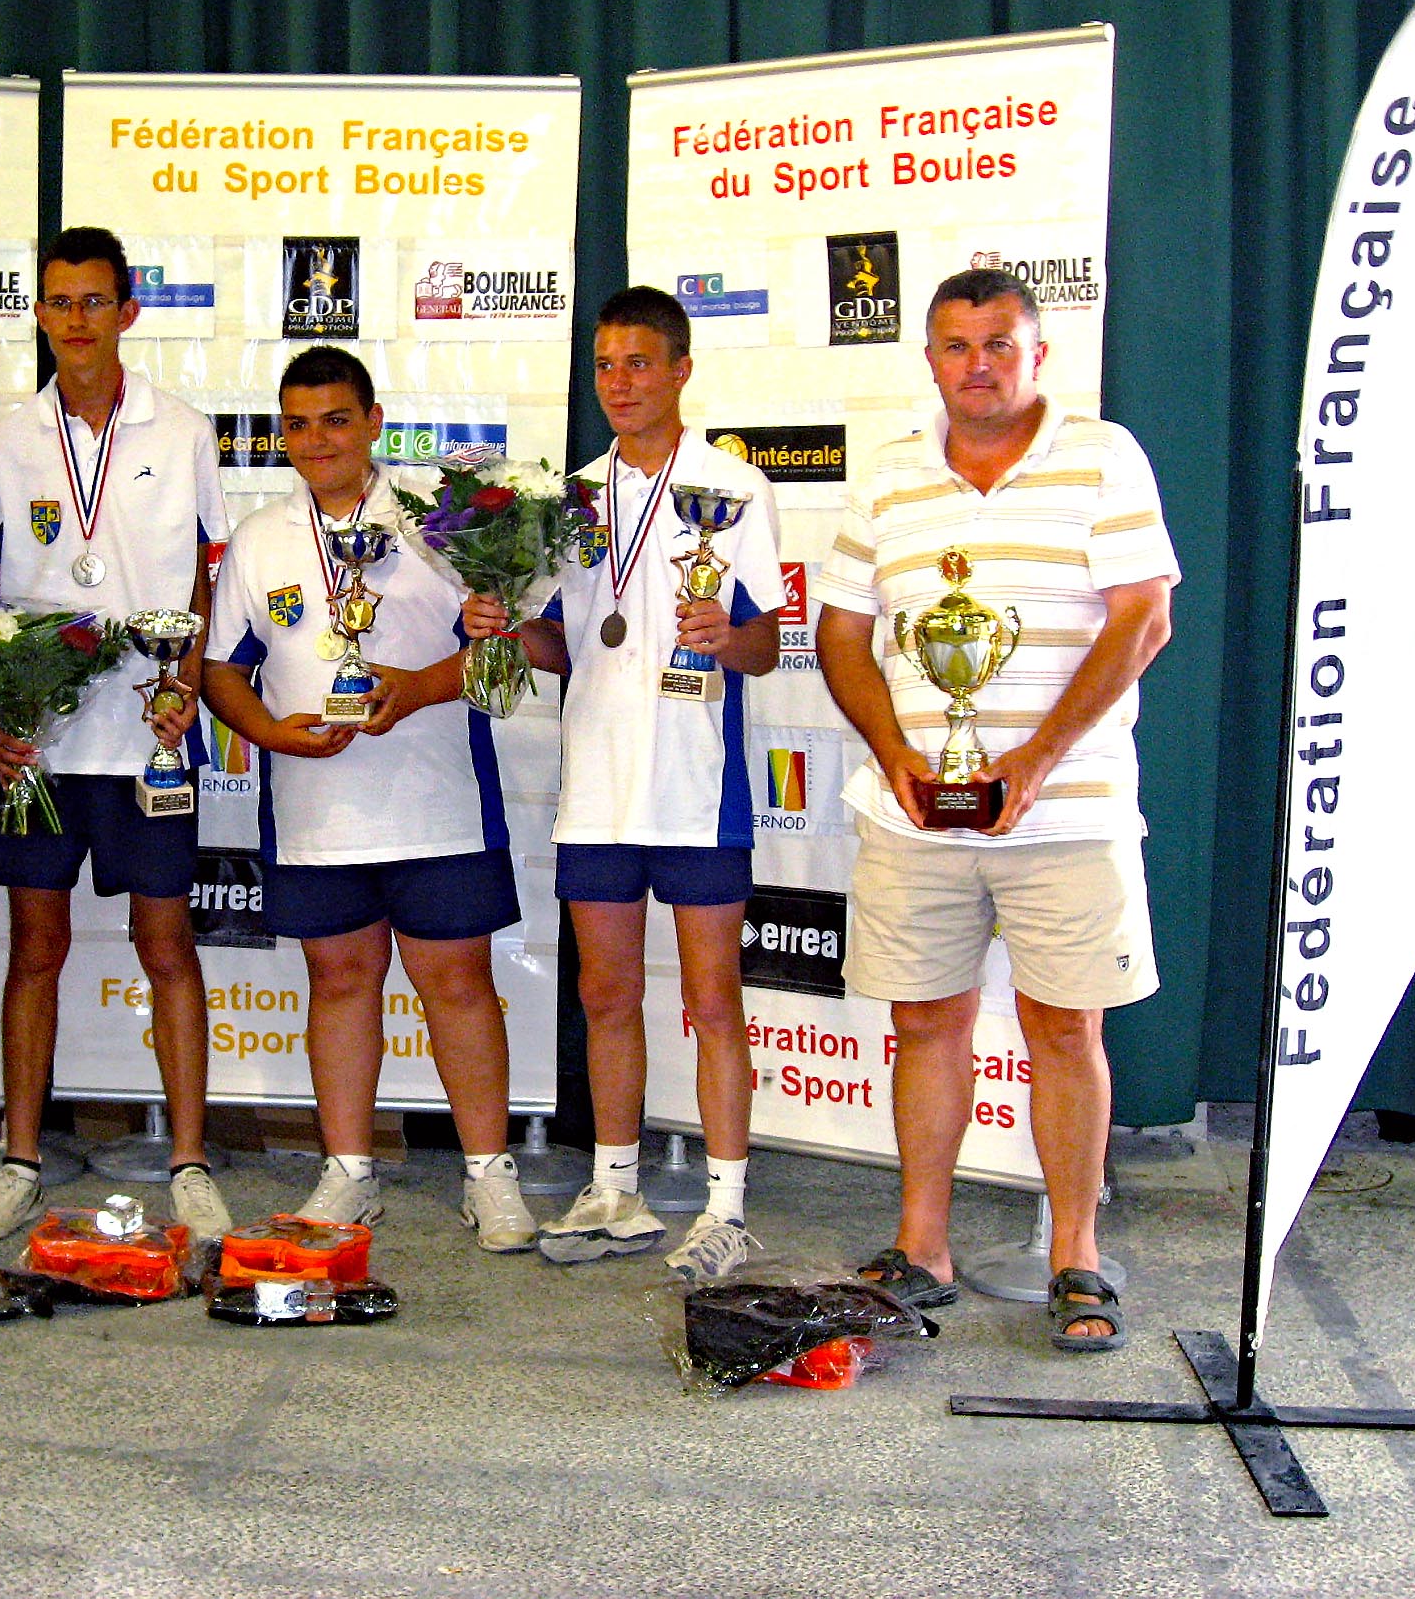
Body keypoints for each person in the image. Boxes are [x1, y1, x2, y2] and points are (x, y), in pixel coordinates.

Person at [813, 267, 1177, 1351]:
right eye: (957, 346)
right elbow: (841, 633)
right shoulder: (889, 474)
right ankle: (921, 1245)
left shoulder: (1103, 456)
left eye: (999, 344)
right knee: (925, 1022)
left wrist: (1035, 759)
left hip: (1069, 811)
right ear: (929, 358)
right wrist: (894, 755)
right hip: (912, 815)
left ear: (1037, 354)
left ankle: (1076, 1254)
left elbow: (1142, 619)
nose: (978, 365)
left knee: (1065, 1028)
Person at [466, 286, 782, 1279]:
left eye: (639, 363)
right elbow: (566, 645)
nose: (619, 383)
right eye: (605, 365)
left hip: (697, 784)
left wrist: (726, 636)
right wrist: (504, 628)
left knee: (713, 999)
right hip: (597, 786)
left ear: (681, 370)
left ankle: (726, 1205)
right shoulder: (571, 498)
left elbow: (768, 643)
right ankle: (614, 1185)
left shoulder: (734, 487)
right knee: (605, 992)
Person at [201, 345, 537, 1251]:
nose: (318, 441)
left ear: (375, 423)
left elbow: (505, 650)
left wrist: (417, 689)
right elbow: (222, 670)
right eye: (298, 425)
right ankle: (348, 1169)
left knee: (456, 985)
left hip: (438, 800)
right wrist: (269, 733)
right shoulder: (259, 538)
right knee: (340, 983)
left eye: (337, 420)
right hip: (316, 807)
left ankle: (488, 1172)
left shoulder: (444, 524)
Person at [0, 226, 231, 1246]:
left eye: (94, 301)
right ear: (39, 314)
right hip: (41, 742)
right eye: (59, 302)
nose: (77, 320)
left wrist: (186, 682)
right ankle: (20, 1161)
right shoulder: (8, 437)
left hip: (146, 732)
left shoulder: (182, 430)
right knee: (36, 946)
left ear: (127, 311)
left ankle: (189, 1163)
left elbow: (208, 571)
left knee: (167, 945)